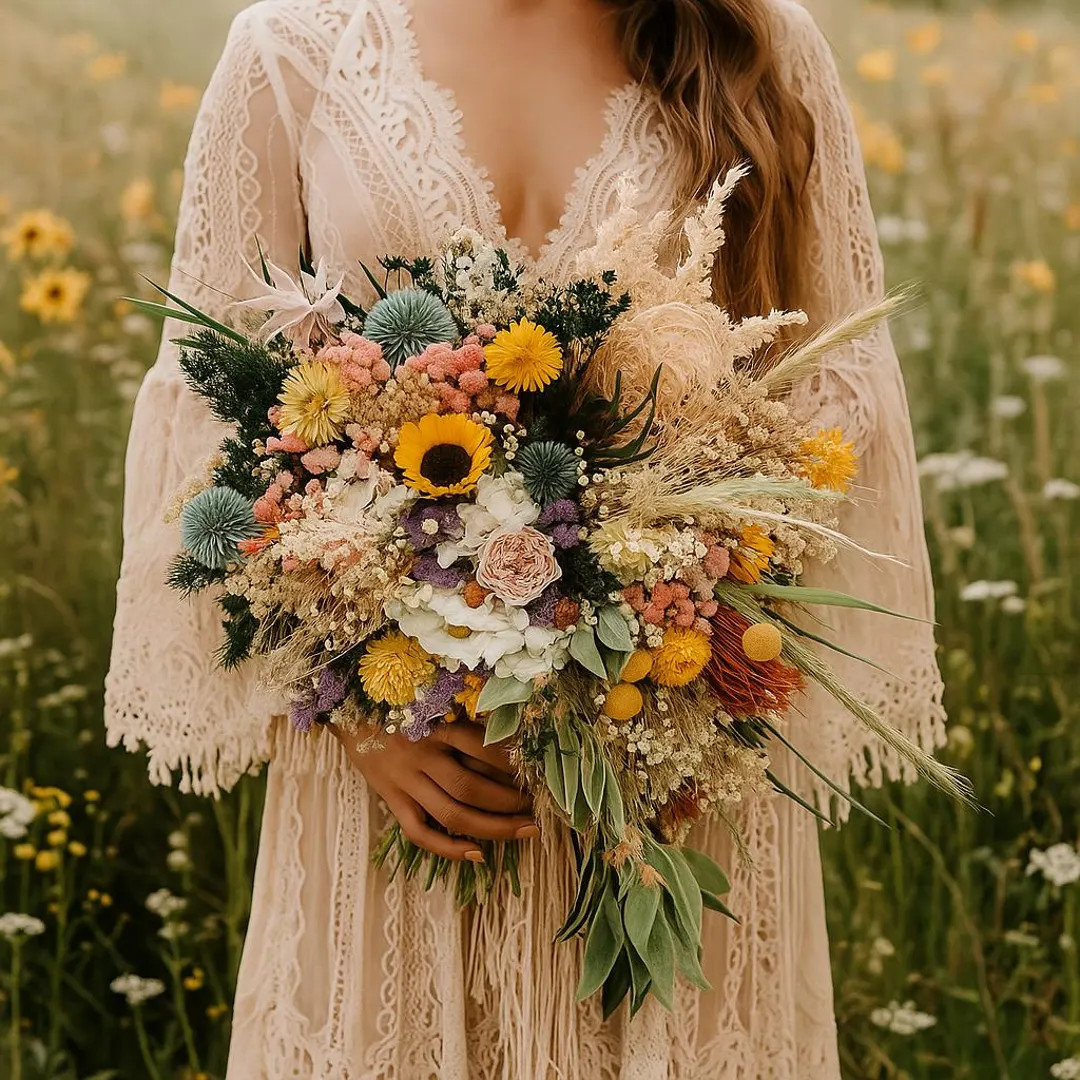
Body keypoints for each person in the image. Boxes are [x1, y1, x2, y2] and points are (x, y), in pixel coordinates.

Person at [105, 0, 947, 1075]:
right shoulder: (294, 51)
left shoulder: (760, 40)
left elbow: (838, 390)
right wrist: (356, 715)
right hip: (406, 785)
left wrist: (676, 620)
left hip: (668, 786)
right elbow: (210, 406)